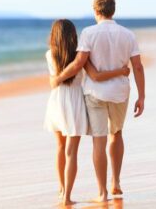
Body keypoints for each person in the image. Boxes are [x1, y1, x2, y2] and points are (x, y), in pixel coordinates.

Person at [50, 0, 145, 202]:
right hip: (120, 93)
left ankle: (102, 193)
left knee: (98, 142)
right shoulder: (128, 35)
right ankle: (116, 182)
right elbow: (137, 66)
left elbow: (78, 64)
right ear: (113, 10)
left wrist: (58, 78)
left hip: (95, 94)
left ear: (95, 11)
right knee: (117, 133)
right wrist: (142, 97)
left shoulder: (89, 33)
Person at [44, 19, 130, 206]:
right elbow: (96, 76)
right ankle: (67, 196)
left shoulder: (49, 54)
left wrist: (57, 79)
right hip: (74, 102)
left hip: (56, 102)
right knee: (71, 151)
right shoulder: (80, 56)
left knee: (60, 147)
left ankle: (61, 189)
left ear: (53, 36)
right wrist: (121, 70)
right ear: (73, 35)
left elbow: (53, 79)